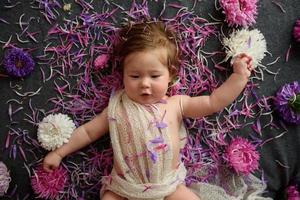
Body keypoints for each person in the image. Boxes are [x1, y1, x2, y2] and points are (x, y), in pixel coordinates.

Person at [43, 21, 254, 200]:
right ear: (123, 74)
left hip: (168, 188)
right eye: (135, 76)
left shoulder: (176, 104)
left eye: (154, 76)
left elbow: (212, 101)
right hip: (124, 189)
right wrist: (60, 152)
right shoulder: (116, 108)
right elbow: (88, 132)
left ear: (170, 75)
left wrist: (238, 77)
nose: (145, 84)